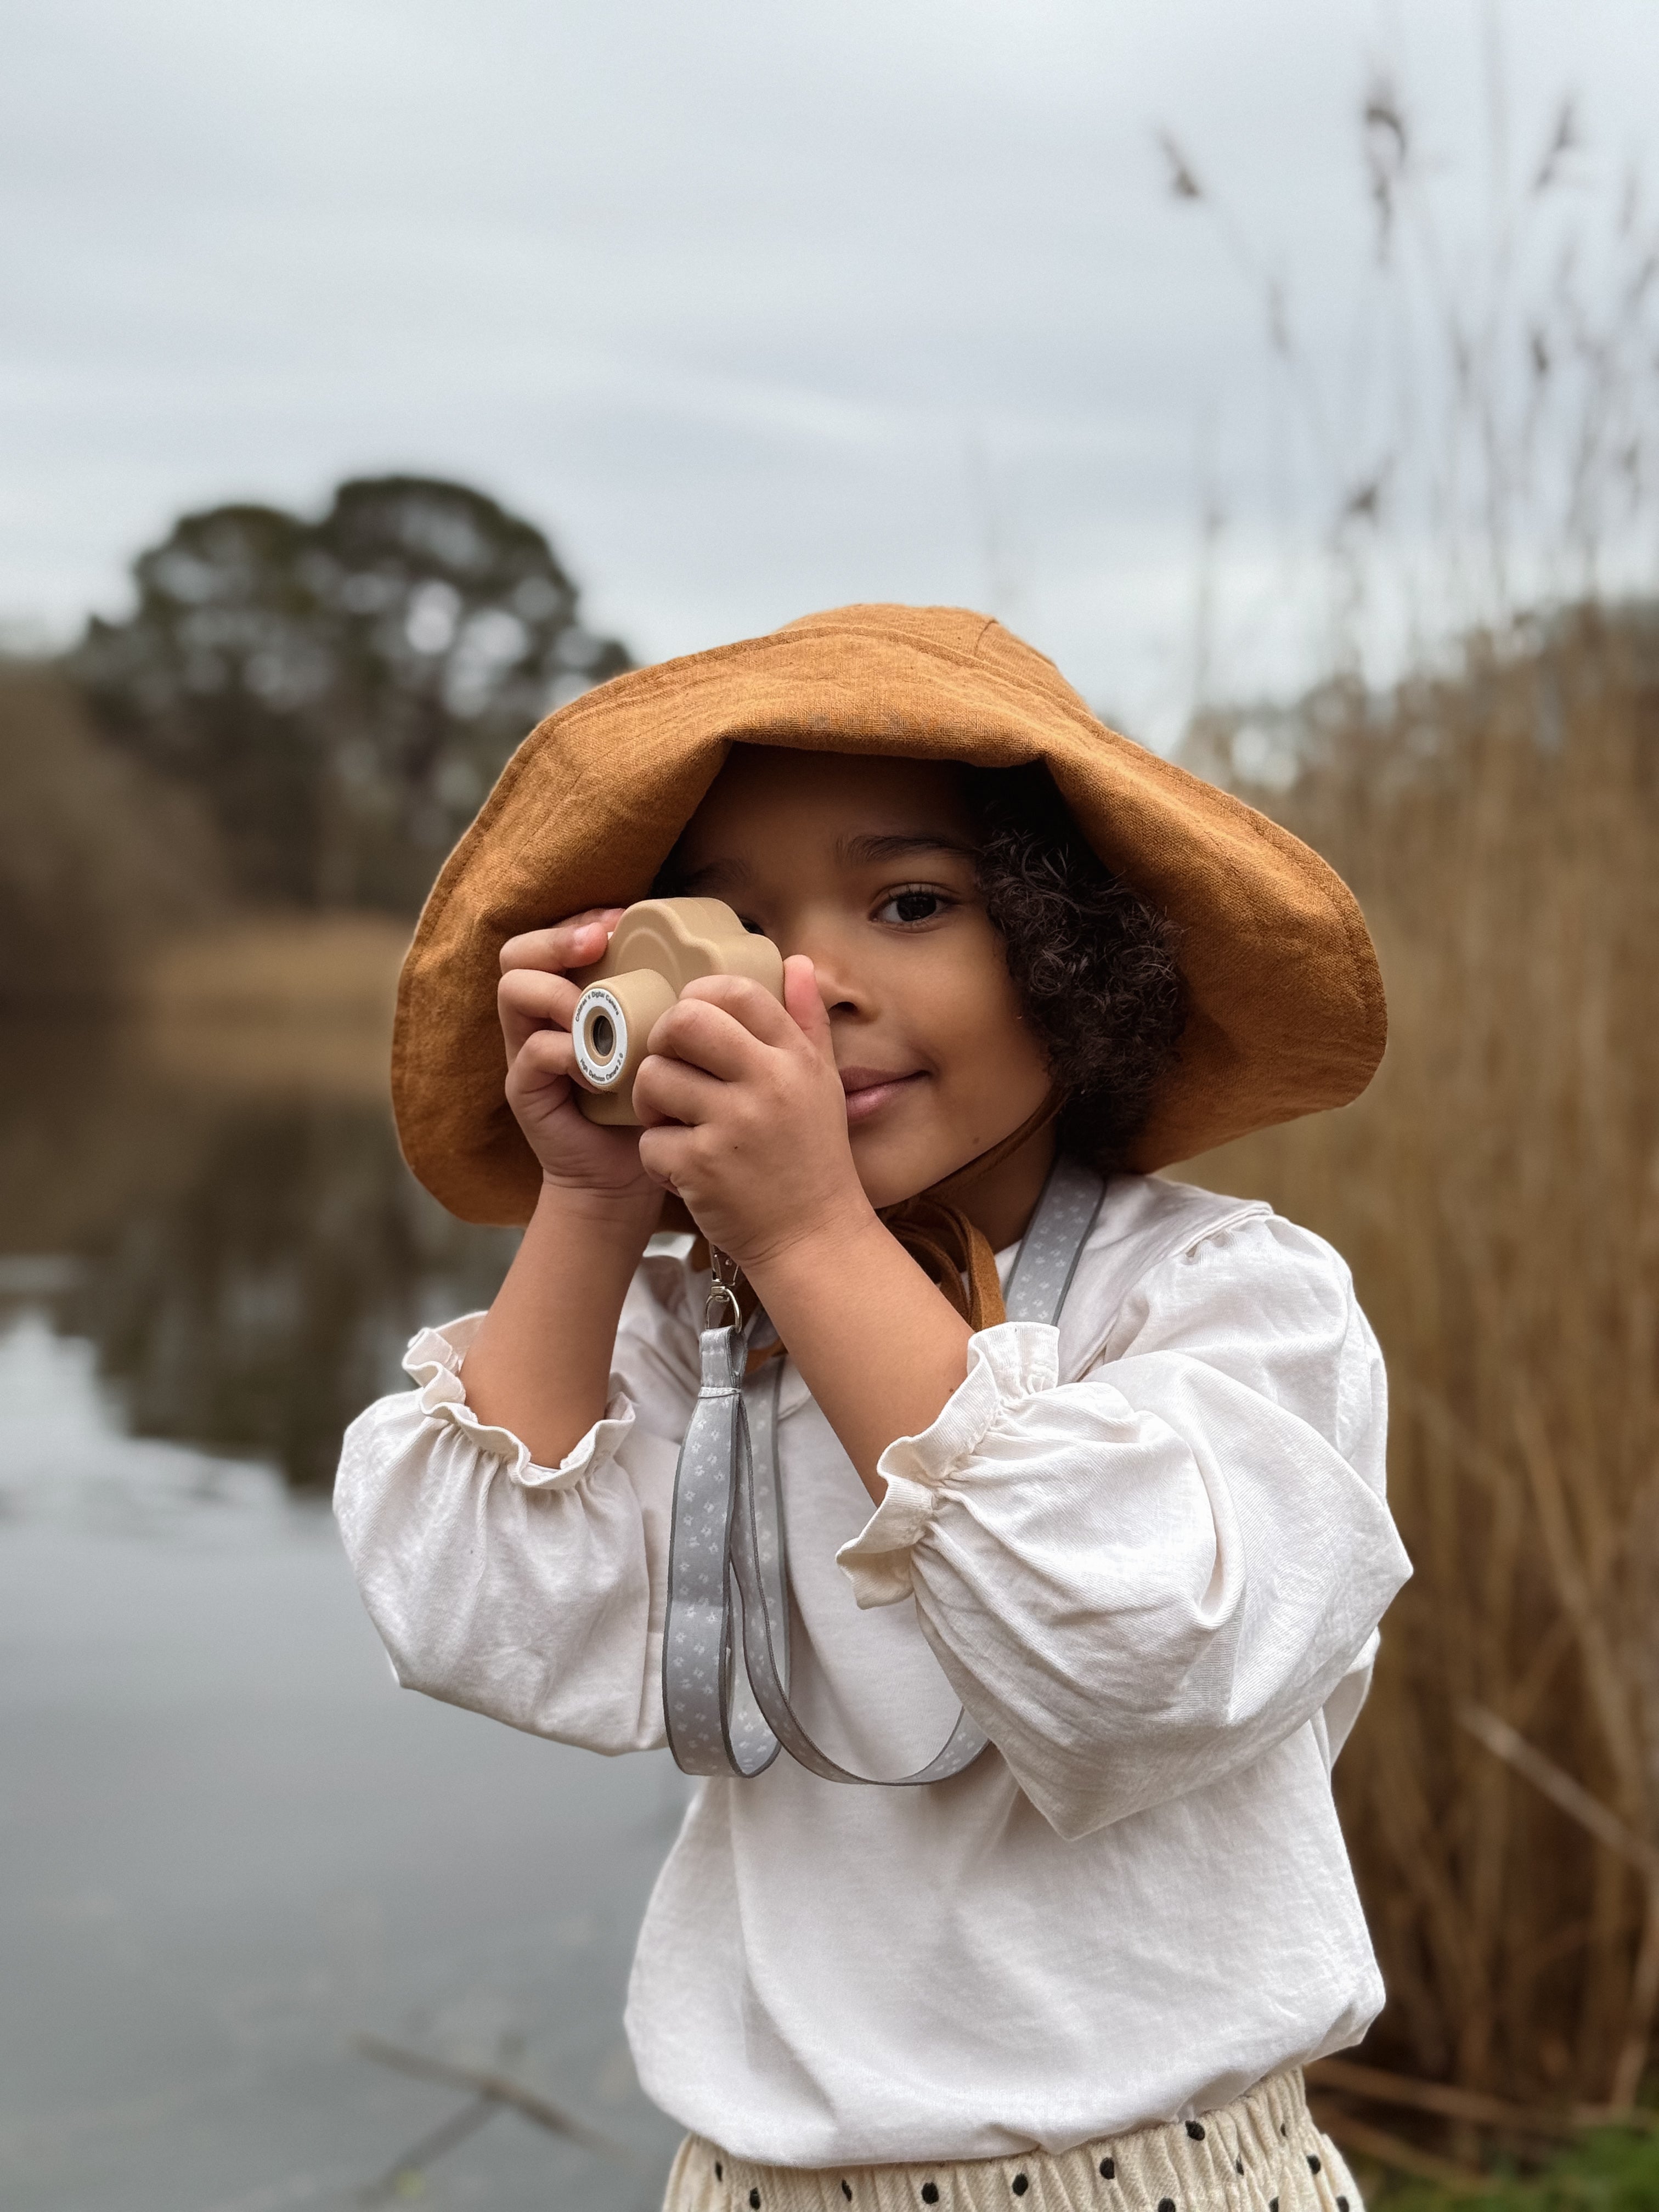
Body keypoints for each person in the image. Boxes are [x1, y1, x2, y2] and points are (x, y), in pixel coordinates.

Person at [336, 605, 1412, 2212]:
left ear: (1063, 945)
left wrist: (809, 1233)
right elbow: (477, 1613)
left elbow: (1139, 1663)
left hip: (1166, 2177)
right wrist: (594, 1195)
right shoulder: (708, 1331)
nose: (813, 985)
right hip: (759, 2179)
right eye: (730, 925)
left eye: (912, 903)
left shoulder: (1224, 1303)